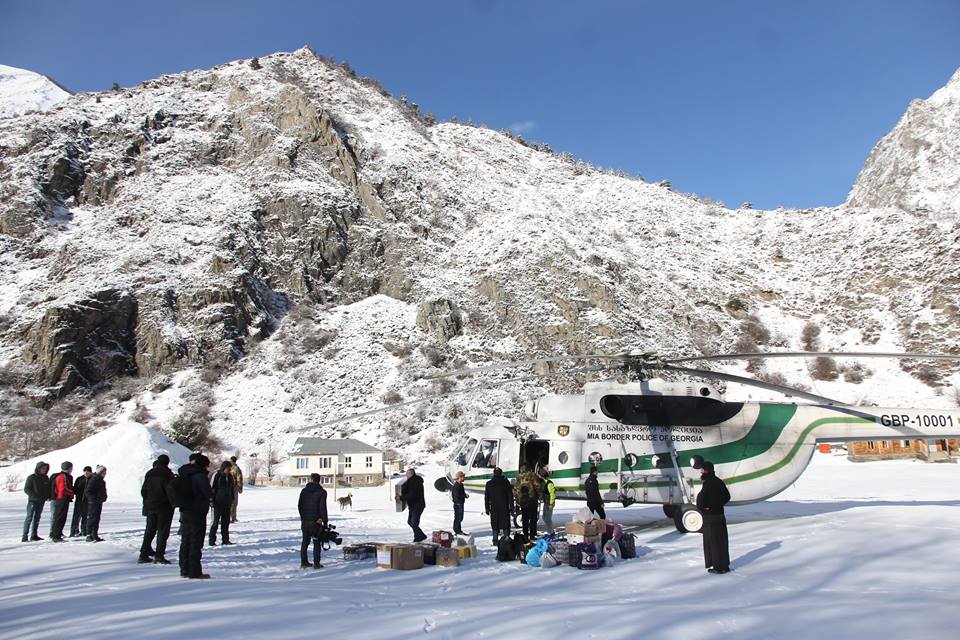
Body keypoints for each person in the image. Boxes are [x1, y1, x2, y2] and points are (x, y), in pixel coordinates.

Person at [178, 453, 213, 579]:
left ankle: (184, 569)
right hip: (197, 511)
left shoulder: (184, 473)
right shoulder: (199, 475)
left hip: (185, 510)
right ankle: (195, 571)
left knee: (185, 540)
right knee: (196, 541)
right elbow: (208, 492)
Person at [696, 460, 731, 574]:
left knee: (713, 543)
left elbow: (701, 501)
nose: (701, 472)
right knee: (722, 541)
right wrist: (718, 505)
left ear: (706, 470)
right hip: (720, 515)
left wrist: (706, 507)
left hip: (711, 517)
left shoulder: (707, 483)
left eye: (702, 470)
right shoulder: (719, 481)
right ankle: (724, 565)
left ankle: (718, 567)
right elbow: (727, 496)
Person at [139, 455, 175, 564]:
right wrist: (173, 502)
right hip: (164, 506)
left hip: (151, 505)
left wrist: (148, 500)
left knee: (149, 530)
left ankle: (143, 554)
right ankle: (159, 555)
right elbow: (170, 491)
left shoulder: (149, 473)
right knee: (162, 532)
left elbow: (143, 491)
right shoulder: (167, 474)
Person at [298, 472, 328, 568]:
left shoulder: (304, 491)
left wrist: (303, 517)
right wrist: (325, 521)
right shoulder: (322, 492)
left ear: (311, 479)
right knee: (316, 541)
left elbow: (300, 505)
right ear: (319, 480)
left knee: (305, 542)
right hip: (316, 521)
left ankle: (304, 562)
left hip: (305, 520)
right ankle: (316, 563)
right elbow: (322, 508)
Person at [484, 467, 514, 546]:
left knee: (495, 525)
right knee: (505, 525)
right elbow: (510, 496)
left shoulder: (489, 483)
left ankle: (495, 541)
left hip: (494, 508)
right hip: (504, 507)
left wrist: (487, 508)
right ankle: (507, 540)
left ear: (494, 473)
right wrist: (511, 507)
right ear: (501, 473)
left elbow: (486, 497)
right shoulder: (506, 482)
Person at [21, 461, 50, 542]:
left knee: (37, 518)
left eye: (45, 469)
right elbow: (27, 489)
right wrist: (33, 495)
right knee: (29, 518)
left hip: (41, 501)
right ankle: (24, 536)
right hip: (32, 501)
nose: (44, 470)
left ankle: (34, 535)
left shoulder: (45, 478)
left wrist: (48, 496)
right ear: (38, 468)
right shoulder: (32, 477)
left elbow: (47, 489)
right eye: (42, 468)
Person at [209, 460, 235, 546]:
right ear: (224, 468)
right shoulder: (217, 475)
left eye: (230, 469)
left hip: (227, 503)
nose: (229, 470)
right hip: (217, 503)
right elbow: (212, 488)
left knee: (226, 522)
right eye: (228, 469)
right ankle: (212, 540)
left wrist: (232, 499)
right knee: (215, 522)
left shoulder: (230, 477)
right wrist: (211, 500)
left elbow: (232, 489)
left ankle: (225, 540)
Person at [49, 461, 75, 541]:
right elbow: (63, 489)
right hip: (62, 499)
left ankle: (57, 534)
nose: (72, 469)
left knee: (60, 517)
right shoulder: (63, 476)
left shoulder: (65, 476)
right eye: (71, 468)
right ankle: (56, 535)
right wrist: (72, 492)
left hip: (61, 498)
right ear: (68, 468)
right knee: (60, 517)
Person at [399, 468, 427, 542]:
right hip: (413, 505)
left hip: (417, 505)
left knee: (414, 523)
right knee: (410, 522)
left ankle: (418, 537)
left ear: (411, 474)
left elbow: (412, 494)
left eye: (407, 474)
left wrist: (401, 498)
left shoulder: (414, 482)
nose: (406, 475)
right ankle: (420, 535)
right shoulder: (411, 481)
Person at [85, 465, 108, 542]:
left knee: (96, 518)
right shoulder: (94, 479)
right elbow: (88, 491)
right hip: (93, 503)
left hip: (98, 502)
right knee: (92, 518)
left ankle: (94, 534)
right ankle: (89, 534)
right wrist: (93, 499)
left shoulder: (101, 480)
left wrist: (103, 497)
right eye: (104, 472)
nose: (105, 474)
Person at [70, 467, 93, 538]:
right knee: (76, 517)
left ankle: (84, 530)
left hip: (87, 501)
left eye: (88, 472)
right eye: (85, 471)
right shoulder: (79, 479)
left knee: (85, 517)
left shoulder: (92, 479)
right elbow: (75, 488)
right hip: (79, 500)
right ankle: (73, 531)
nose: (86, 473)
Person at [451, 471, 468, 535]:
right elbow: (456, 496)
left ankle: (459, 530)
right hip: (458, 504)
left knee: (460, 518)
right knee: (457, 518)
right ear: (459, 477)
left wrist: (465, 495)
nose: (464, 478)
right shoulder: (456, 486)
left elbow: (461, 493)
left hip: (461, 503)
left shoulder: (461, 485)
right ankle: (456, 531)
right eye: (463, 477)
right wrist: (463, 496)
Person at [540, 467, 556, 536]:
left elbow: (552, 494)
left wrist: (551, 504)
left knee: (548, 519)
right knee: (544, 517)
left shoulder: (549, 483)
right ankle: (550, 531)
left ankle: (551, 532)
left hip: (549, 503)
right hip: (546, 502)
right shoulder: (543, 482)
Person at [229, 455, 243, 523]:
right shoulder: (235, 468)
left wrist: (239, 487)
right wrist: (240, 488)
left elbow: (239, 478)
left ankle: (232, 517)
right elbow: (239, 478)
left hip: (232, 487)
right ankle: (232, 517)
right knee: (232, 503)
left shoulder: (232, 468)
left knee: (232, 503)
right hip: (232, 487)